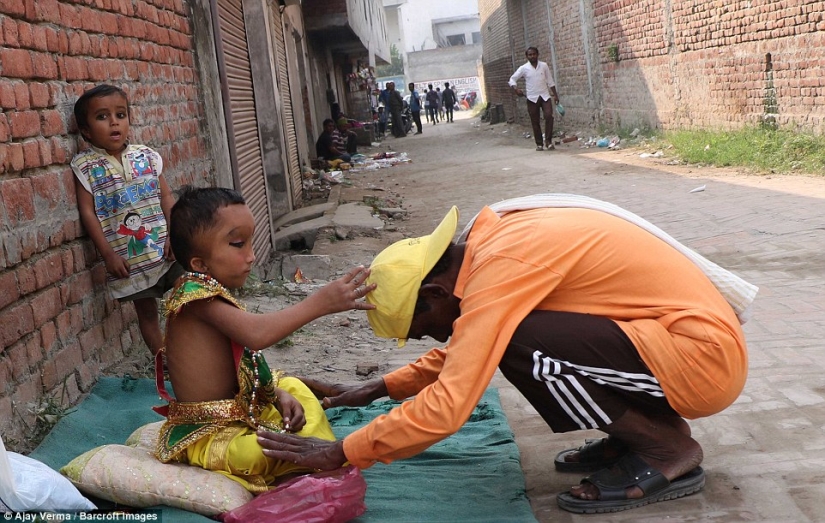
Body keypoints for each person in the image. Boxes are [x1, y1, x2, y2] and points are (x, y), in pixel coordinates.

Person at [256, 194, 755, 514]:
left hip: (702, 363)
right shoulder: (489, 247)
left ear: (433, 294)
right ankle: (641, 436)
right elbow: (470, 344)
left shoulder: (499, 271)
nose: (433, 339)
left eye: (422, 327)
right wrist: (379, 387)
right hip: (674, 345)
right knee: (516, 336)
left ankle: (665, 448)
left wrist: (343, 450)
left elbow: (451, 404)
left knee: (520, 342)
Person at [153, 186, 376, 491]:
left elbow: (247, 362)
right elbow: (256, 335)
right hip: (211, 433)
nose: (251, 256)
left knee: (294, 389)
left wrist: (277, 396)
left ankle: (308, 457)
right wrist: (320, 303)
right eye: (237, 244)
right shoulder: (193, 296)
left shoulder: (212, 291)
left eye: (251, 242)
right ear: (199, 265)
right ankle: (307, 461)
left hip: (244, 414)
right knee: (258, 453)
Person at [71, 84, 183, 358]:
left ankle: (192, 352)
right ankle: (165, 364)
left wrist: (174, 235)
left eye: (120, 114)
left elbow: (166, 197)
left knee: (187, 299)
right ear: (85, 131)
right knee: (146, 313)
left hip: (165, 248)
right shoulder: (86, 167)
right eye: (102, 117)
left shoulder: (145, 156)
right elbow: (88, 213)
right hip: (128, 260)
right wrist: (107, 254)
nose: (113, 122)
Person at [509, 47, 560, 151]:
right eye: (530, 55)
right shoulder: (524, 68)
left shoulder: (544, 66)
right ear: (527, 56)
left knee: (549, 116)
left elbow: (550, 81)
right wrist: (516, 89)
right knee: (535, 121)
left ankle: (549, 142)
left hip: (545, 96)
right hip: (532, 98)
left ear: (538, 54)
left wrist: (555, 95)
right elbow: (512, 79)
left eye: (534, 54)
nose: (532, 56)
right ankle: (539, 144)